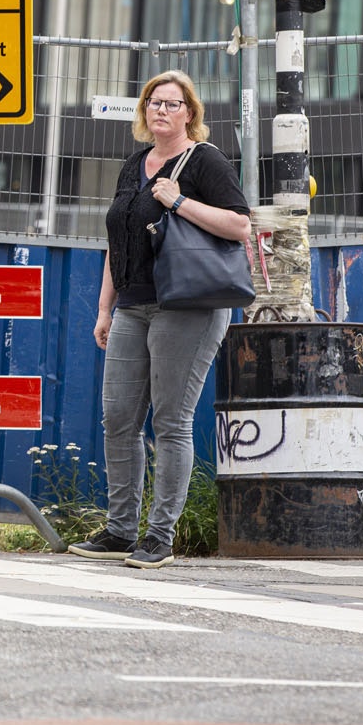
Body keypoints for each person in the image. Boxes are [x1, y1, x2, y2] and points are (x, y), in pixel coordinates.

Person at [68, 70, 250, 570]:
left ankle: (159, 536)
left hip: (187, 306)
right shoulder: (134, 165)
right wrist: (104, 308)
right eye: (153, 102)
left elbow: (239, 224)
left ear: (189, 113)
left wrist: (180, 201)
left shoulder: (205, 160)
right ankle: (120, 530)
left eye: (172, 104)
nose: (161, 110)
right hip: (132, 304)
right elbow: (118, 241)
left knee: (170, 421)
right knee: (118, 419)